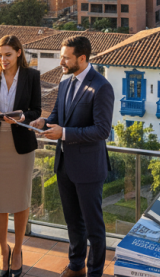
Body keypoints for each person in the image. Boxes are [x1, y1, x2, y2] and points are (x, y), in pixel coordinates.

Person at [32, 37, 115, 277]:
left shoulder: (101, 87)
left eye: (66, 57)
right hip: (64, 164)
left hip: (89, 168)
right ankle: (76, 265)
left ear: (82, 58)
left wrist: (64, 133)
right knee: (73, 222)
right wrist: (44, 121)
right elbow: (59, 114)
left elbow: (102, 130)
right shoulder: (66, 82)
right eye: (62, 56)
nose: (61, 62)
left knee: (93, 226)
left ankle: (95, 272)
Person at [0, 35, 42, 277]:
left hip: (21, 143)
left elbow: (36, 108)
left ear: (18, 52)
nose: (2, 59)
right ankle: (2, 251)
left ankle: (17, 251)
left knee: (20, 200)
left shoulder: (32, 76)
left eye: (7, 54)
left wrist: (22, 116)